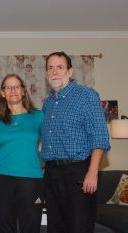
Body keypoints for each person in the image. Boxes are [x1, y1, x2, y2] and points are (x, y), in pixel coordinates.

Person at [42, 51, 111, 233]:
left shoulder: (86, 96)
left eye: (60, 67)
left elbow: (100, 136)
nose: (55, 72)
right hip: (51, 173)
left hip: (78, 173)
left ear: (70, 71)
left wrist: (92, 172)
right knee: (55, 227)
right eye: (50, 68)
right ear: (47, 73)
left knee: (79, 227)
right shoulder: (48, 103)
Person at [0, 74, 44, 233]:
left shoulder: (39, 117)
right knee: (5, 228)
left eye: (17, 86)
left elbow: (51, 144)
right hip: (1, 181)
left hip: (31, 180)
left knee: (31, 227)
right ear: (2, 93)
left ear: (23, 91)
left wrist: (38, 158)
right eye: (8, 87)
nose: (13, 90)